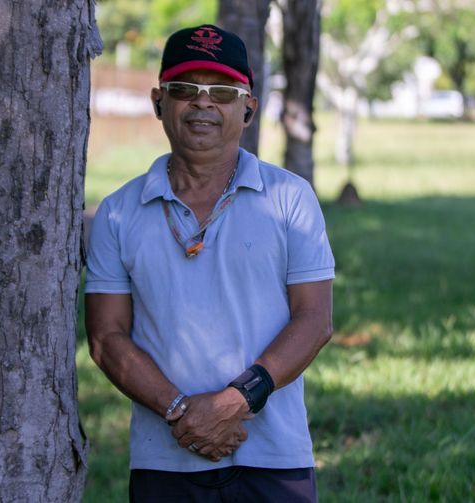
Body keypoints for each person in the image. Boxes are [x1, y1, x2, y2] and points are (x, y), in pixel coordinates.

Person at [85, 24, 335, 502]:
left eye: (221, 92)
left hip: (275, 457)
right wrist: (183, 412)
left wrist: (232, 402)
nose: (203, 104)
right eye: (184, 90)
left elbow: (314, 319)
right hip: (165, 458)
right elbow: (105, 338)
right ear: (159, 102)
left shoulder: (289, 198)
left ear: (248, 107)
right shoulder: (118, 212)